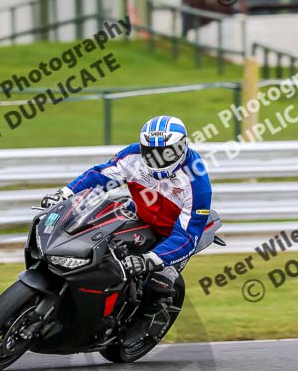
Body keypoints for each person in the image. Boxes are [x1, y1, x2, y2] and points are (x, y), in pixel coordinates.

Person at [40, 116, 212, 341]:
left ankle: (148, 318)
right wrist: (65, 193)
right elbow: (100, 175)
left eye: (166, 152)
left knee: (159, 277)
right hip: (139, 212)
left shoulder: (197, 182)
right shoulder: (133, 156)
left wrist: (151, 258)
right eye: (151, 152)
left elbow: (188, 236)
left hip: (172, 233)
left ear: (182, 147)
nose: (158, 158)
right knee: (96, 231)